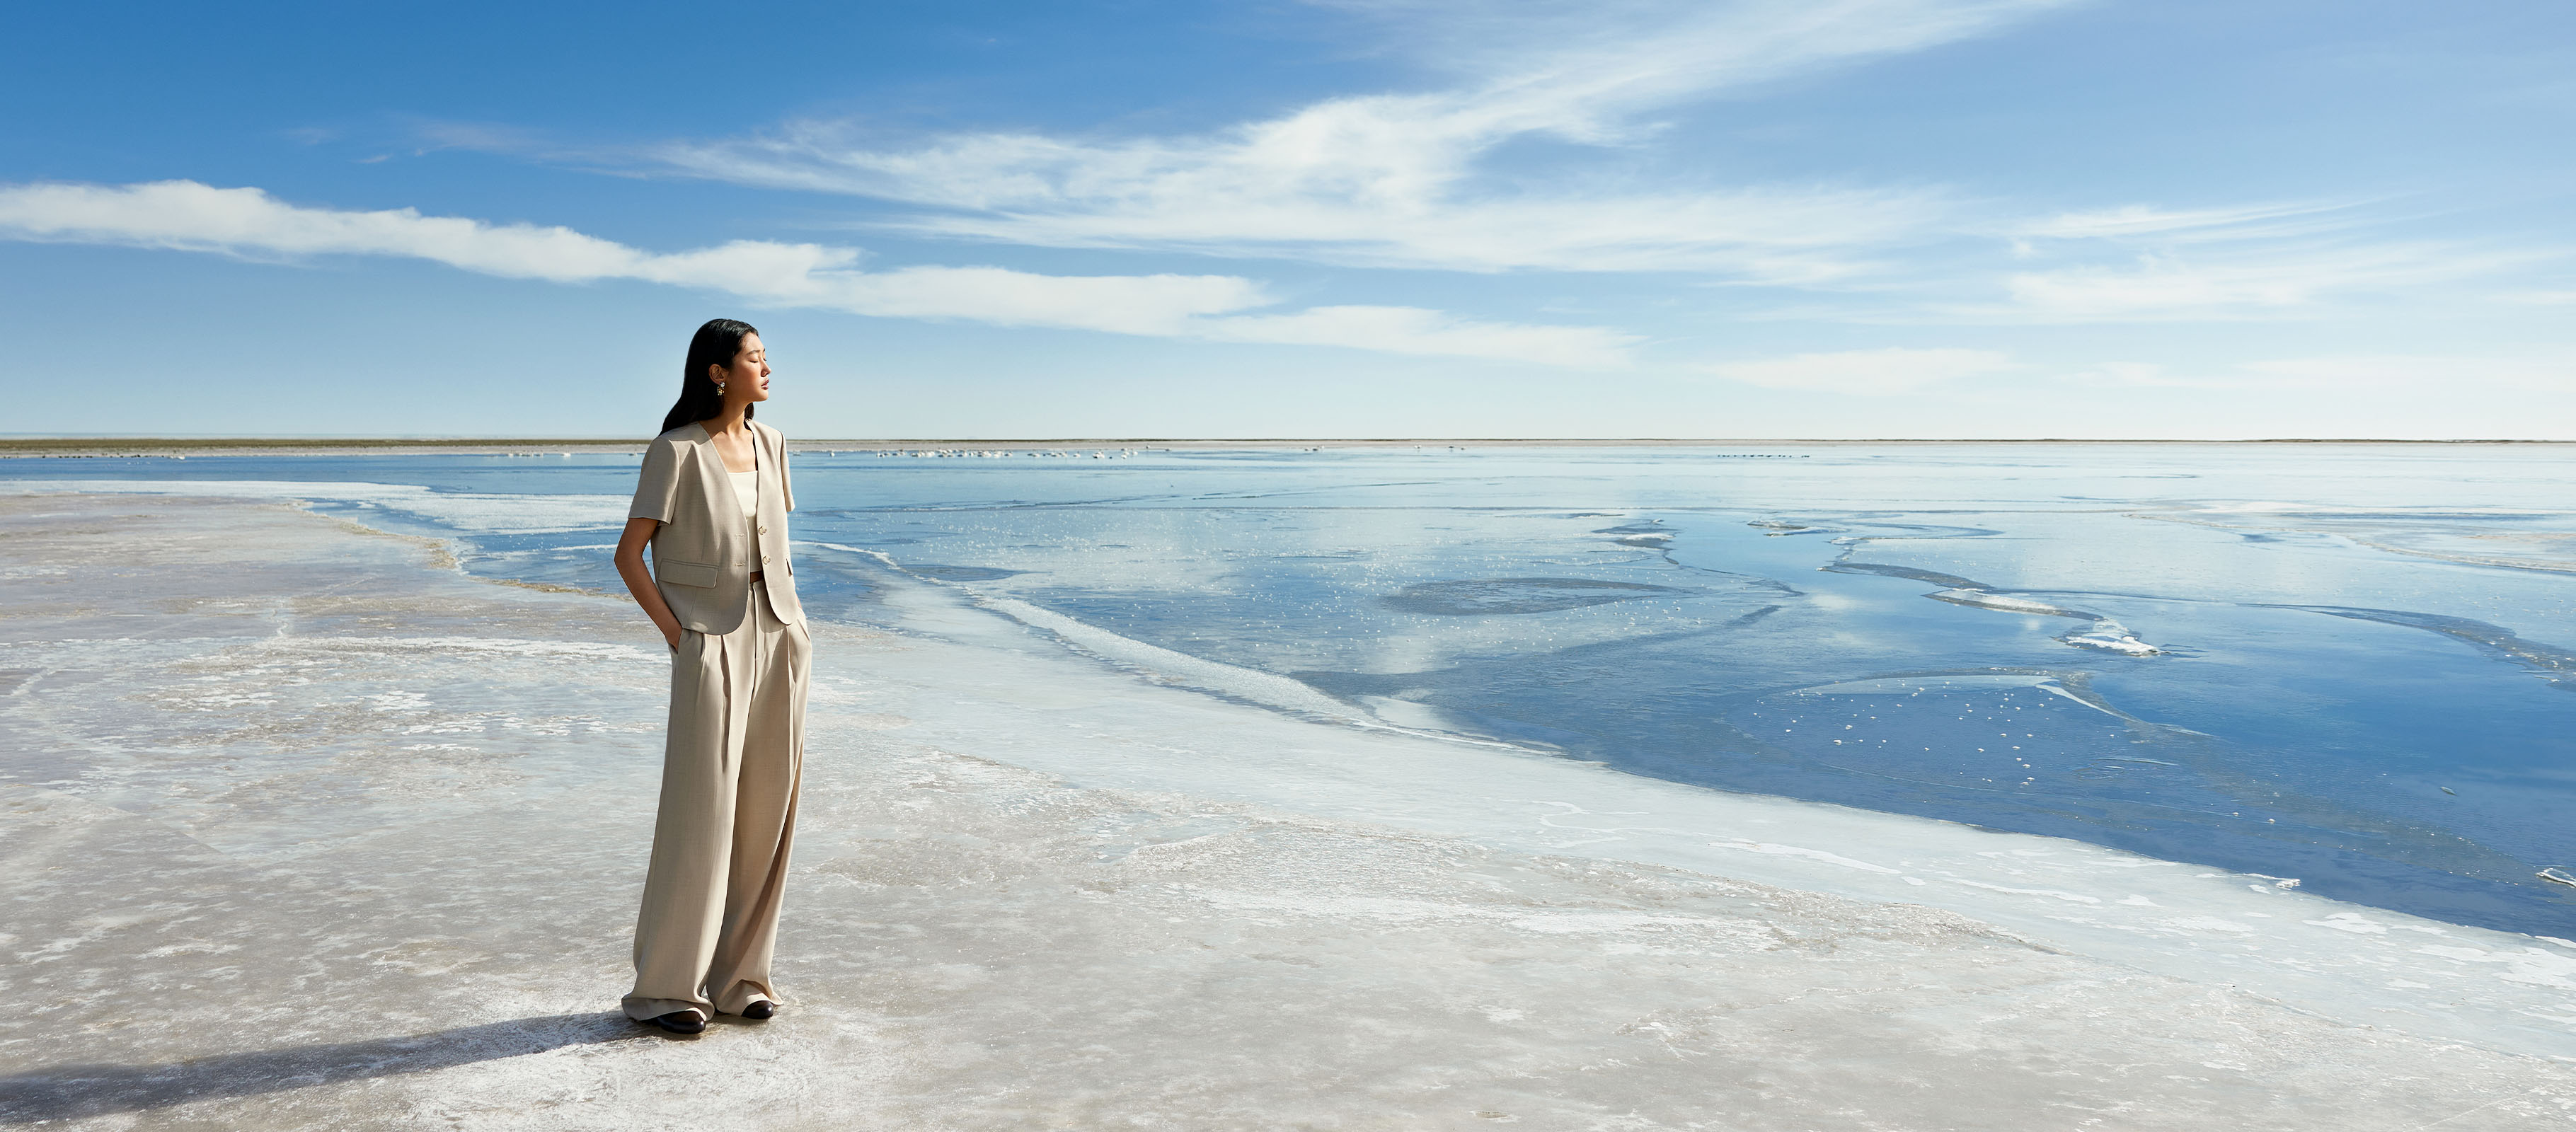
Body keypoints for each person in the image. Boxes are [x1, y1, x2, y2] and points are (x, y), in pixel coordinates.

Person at [611, 318, 812, 1036]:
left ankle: (741, 978)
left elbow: (770, 542)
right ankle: (666, 987)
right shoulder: (674, 452)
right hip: (710, 641)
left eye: (766, 359)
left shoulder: (772, 443)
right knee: (702, 812)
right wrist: (678, 634)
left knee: (768, 808)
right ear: (718, 371)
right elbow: (629, 555)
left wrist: (792, 624)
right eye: (755, 359)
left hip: (779, 631)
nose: (767, 370)